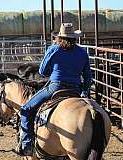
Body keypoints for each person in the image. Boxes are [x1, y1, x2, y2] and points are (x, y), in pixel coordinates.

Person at [16, 23, 92, 156]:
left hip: (55, 87)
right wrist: (84, 92)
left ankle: (27, 144)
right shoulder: (82, 52)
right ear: (74, 37)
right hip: (75, 90)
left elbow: (42, 71)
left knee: (26, 109)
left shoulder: (54, 49)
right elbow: (88, 78)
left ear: (60, 37)